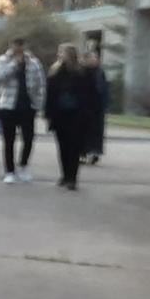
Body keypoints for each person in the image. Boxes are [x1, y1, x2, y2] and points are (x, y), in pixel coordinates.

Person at [45, 43, 100, 191]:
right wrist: (48, 114)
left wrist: (89, 114)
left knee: (74, 148)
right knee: (62, 147)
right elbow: (50, 94)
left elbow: (91, 95)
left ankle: (72, 178)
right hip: (60, 115)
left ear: (70, 54)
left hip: (77, 116)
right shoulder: (55, 71)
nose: (59, 55)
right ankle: (65, 175)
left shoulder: (83, 72)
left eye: (62, 52)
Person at [0, 39, 46, 183]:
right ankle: (9, 171)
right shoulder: (2, 60)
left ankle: (23, 165)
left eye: (21, 45)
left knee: (28, 138)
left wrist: (39, 103)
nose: (18, 48)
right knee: (9, 140)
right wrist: (14, 65)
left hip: (27, 106)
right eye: (15, 45)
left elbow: (41, 84)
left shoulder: (34, 63)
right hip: (7, 105)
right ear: (11, 46)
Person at [84, 49, 111, 164]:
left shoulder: (100, 72)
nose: (94, 60)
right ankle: (84, 152)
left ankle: (95, 152)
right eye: (91, 57)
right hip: (85, 107)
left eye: (95, 58)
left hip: (97, 107)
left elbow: (104, 89)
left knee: (97, 131)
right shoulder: (83, 72)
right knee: (85, 131)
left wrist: (105, 104)